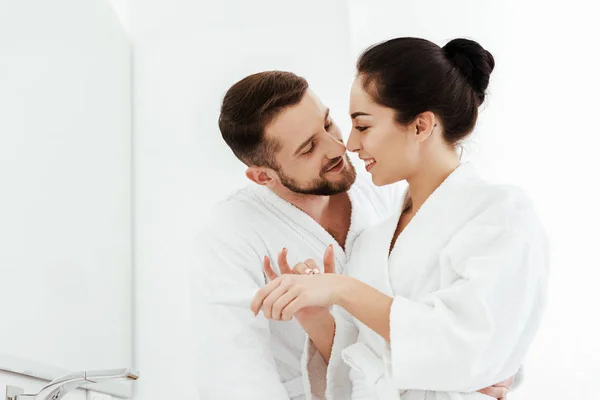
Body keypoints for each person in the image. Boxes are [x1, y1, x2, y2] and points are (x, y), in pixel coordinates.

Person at [250, 38, 548, 400]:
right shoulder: (372, 242)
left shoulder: (499, 213)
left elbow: (473, 351)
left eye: (363, 126)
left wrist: (343, 289)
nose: (351, 145)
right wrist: (315, 316)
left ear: (421, 126)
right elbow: (353, 372)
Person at [190, 68, 515, 399]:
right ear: (262, 176)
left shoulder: (382, 190)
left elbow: (448, 305)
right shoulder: (230, 234)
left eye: (328, 123)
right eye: (308, 148)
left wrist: (481, 366)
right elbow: (235, 374)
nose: (337, 147)